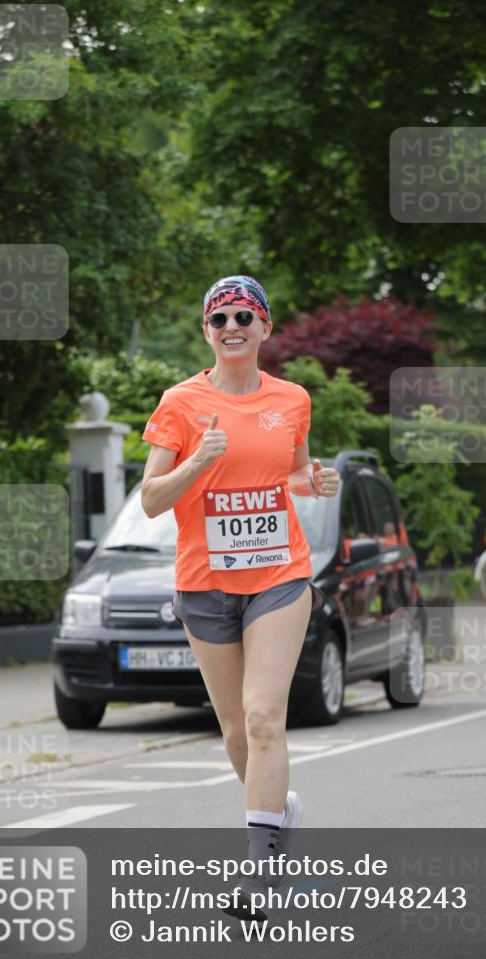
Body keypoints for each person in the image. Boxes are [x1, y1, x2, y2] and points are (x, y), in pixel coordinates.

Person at [140, 274, 340, 919]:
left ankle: (258, 871)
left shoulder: (292, 398)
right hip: (204, 583)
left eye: (244, 317)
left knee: (262, 717)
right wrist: (199, 460)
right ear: (206, 330)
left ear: (265, 329)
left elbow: (292, 471)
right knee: (234, 730)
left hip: (279, 576)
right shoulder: (180, 402)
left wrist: (314, 481)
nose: (232, 327)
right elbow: (151, 500)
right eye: (220, 318)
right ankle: (279, 814)